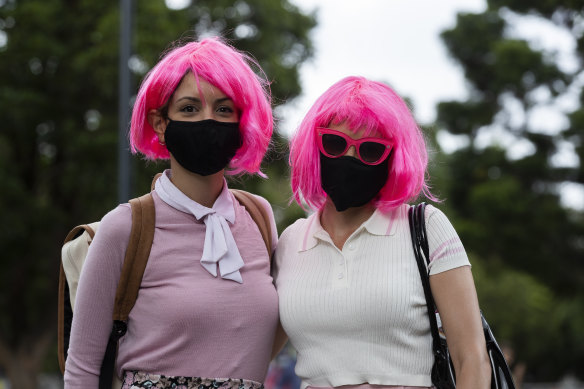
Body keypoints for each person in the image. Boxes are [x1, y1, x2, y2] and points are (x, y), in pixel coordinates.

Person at [64, 37, 279, 388]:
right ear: (161, 123)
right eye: (190, 108)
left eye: (224, 109)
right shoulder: (125, 227)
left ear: (242, 123)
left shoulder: (259, 217)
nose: (209, 121)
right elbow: (83, 368)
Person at [273, 76, 492, 389]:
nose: (349, 159)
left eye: (371, 150)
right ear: (313, 144)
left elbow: (471, 357)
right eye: (334, 143)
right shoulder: (289, 243)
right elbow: (251, 353)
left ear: (393, 158)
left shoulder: (427, 227)